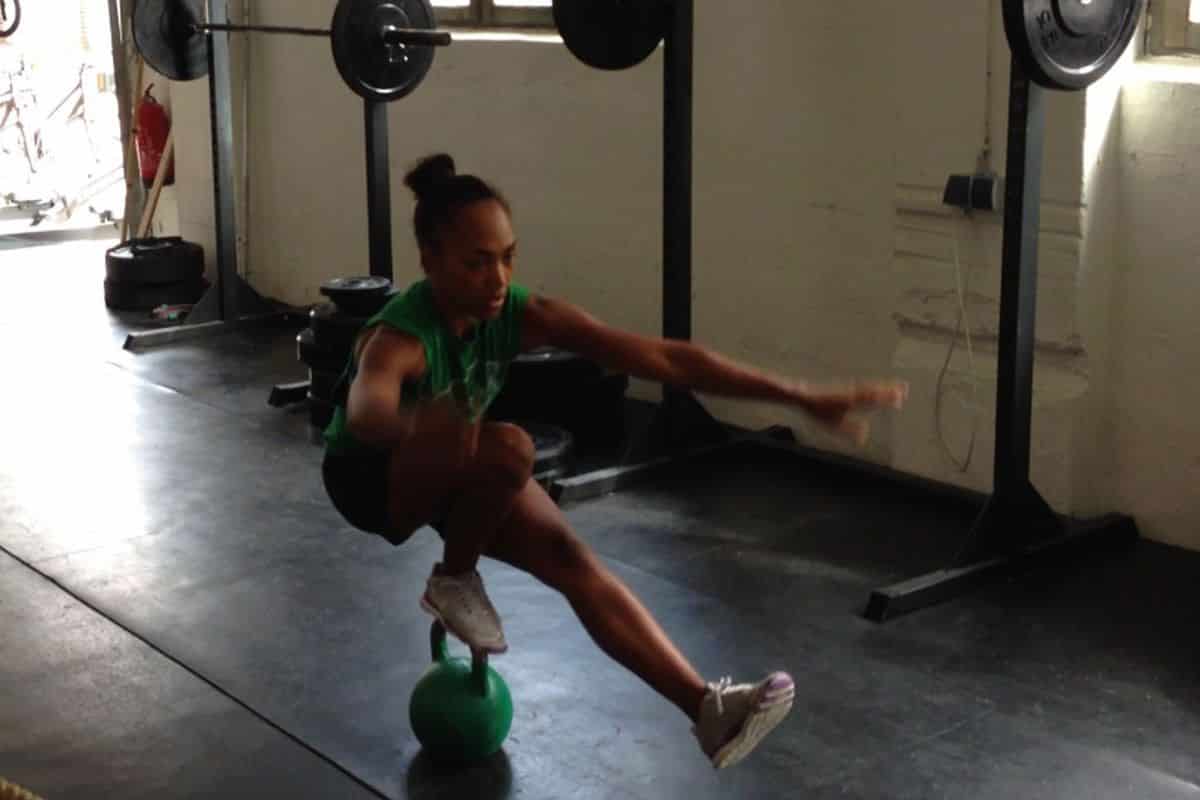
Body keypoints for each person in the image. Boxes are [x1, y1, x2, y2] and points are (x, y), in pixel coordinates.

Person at [320, 153, 908, 770]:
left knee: (574, 560)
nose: (498, 277)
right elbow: (367, 411)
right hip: (371, 481)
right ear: (430, 260)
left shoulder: (517, 314)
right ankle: (455, 580)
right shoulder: (401, 336)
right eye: (477, 262)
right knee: (510, 446)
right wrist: (425, 428)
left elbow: (666, 360)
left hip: (458, 464)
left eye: (508, 257)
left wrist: (799, 394)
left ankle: (707, 709)